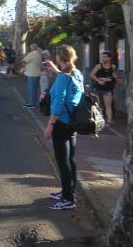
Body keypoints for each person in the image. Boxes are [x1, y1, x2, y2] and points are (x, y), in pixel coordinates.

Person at [44, 45, 84, 210]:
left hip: (60, 123)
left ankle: (68, 199)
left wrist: (50, 125)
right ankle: (69, 191)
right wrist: (56, 70)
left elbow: (59, 101)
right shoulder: (77, 74)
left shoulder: (63, 77)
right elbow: (67, 81)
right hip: (72, 122)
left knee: (63, 161)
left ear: (59, 58)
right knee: (71, 160)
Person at [89, 51, 120, 126]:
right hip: (98, 88)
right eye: (102, 57)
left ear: (109, 58)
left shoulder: (113, 67)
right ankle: (95, 120)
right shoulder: (99, 66)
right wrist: (98, 80)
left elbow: (114, 75)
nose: (103, 59)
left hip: (107, 89)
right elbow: (91, 74)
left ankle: (109, 120)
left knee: (108, 105)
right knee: (96, 105)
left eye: (105, 57)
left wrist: (117, 79)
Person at [23, 43, 42, 108]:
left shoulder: (32, 54)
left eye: (30, 48)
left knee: (31, 90)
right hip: (37, 74)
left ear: (33, 48)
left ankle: (31, 104)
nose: (30, 49)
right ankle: (33, 103)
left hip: (31, 74)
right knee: (34, 90)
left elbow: (24, 61)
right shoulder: (38, 54)